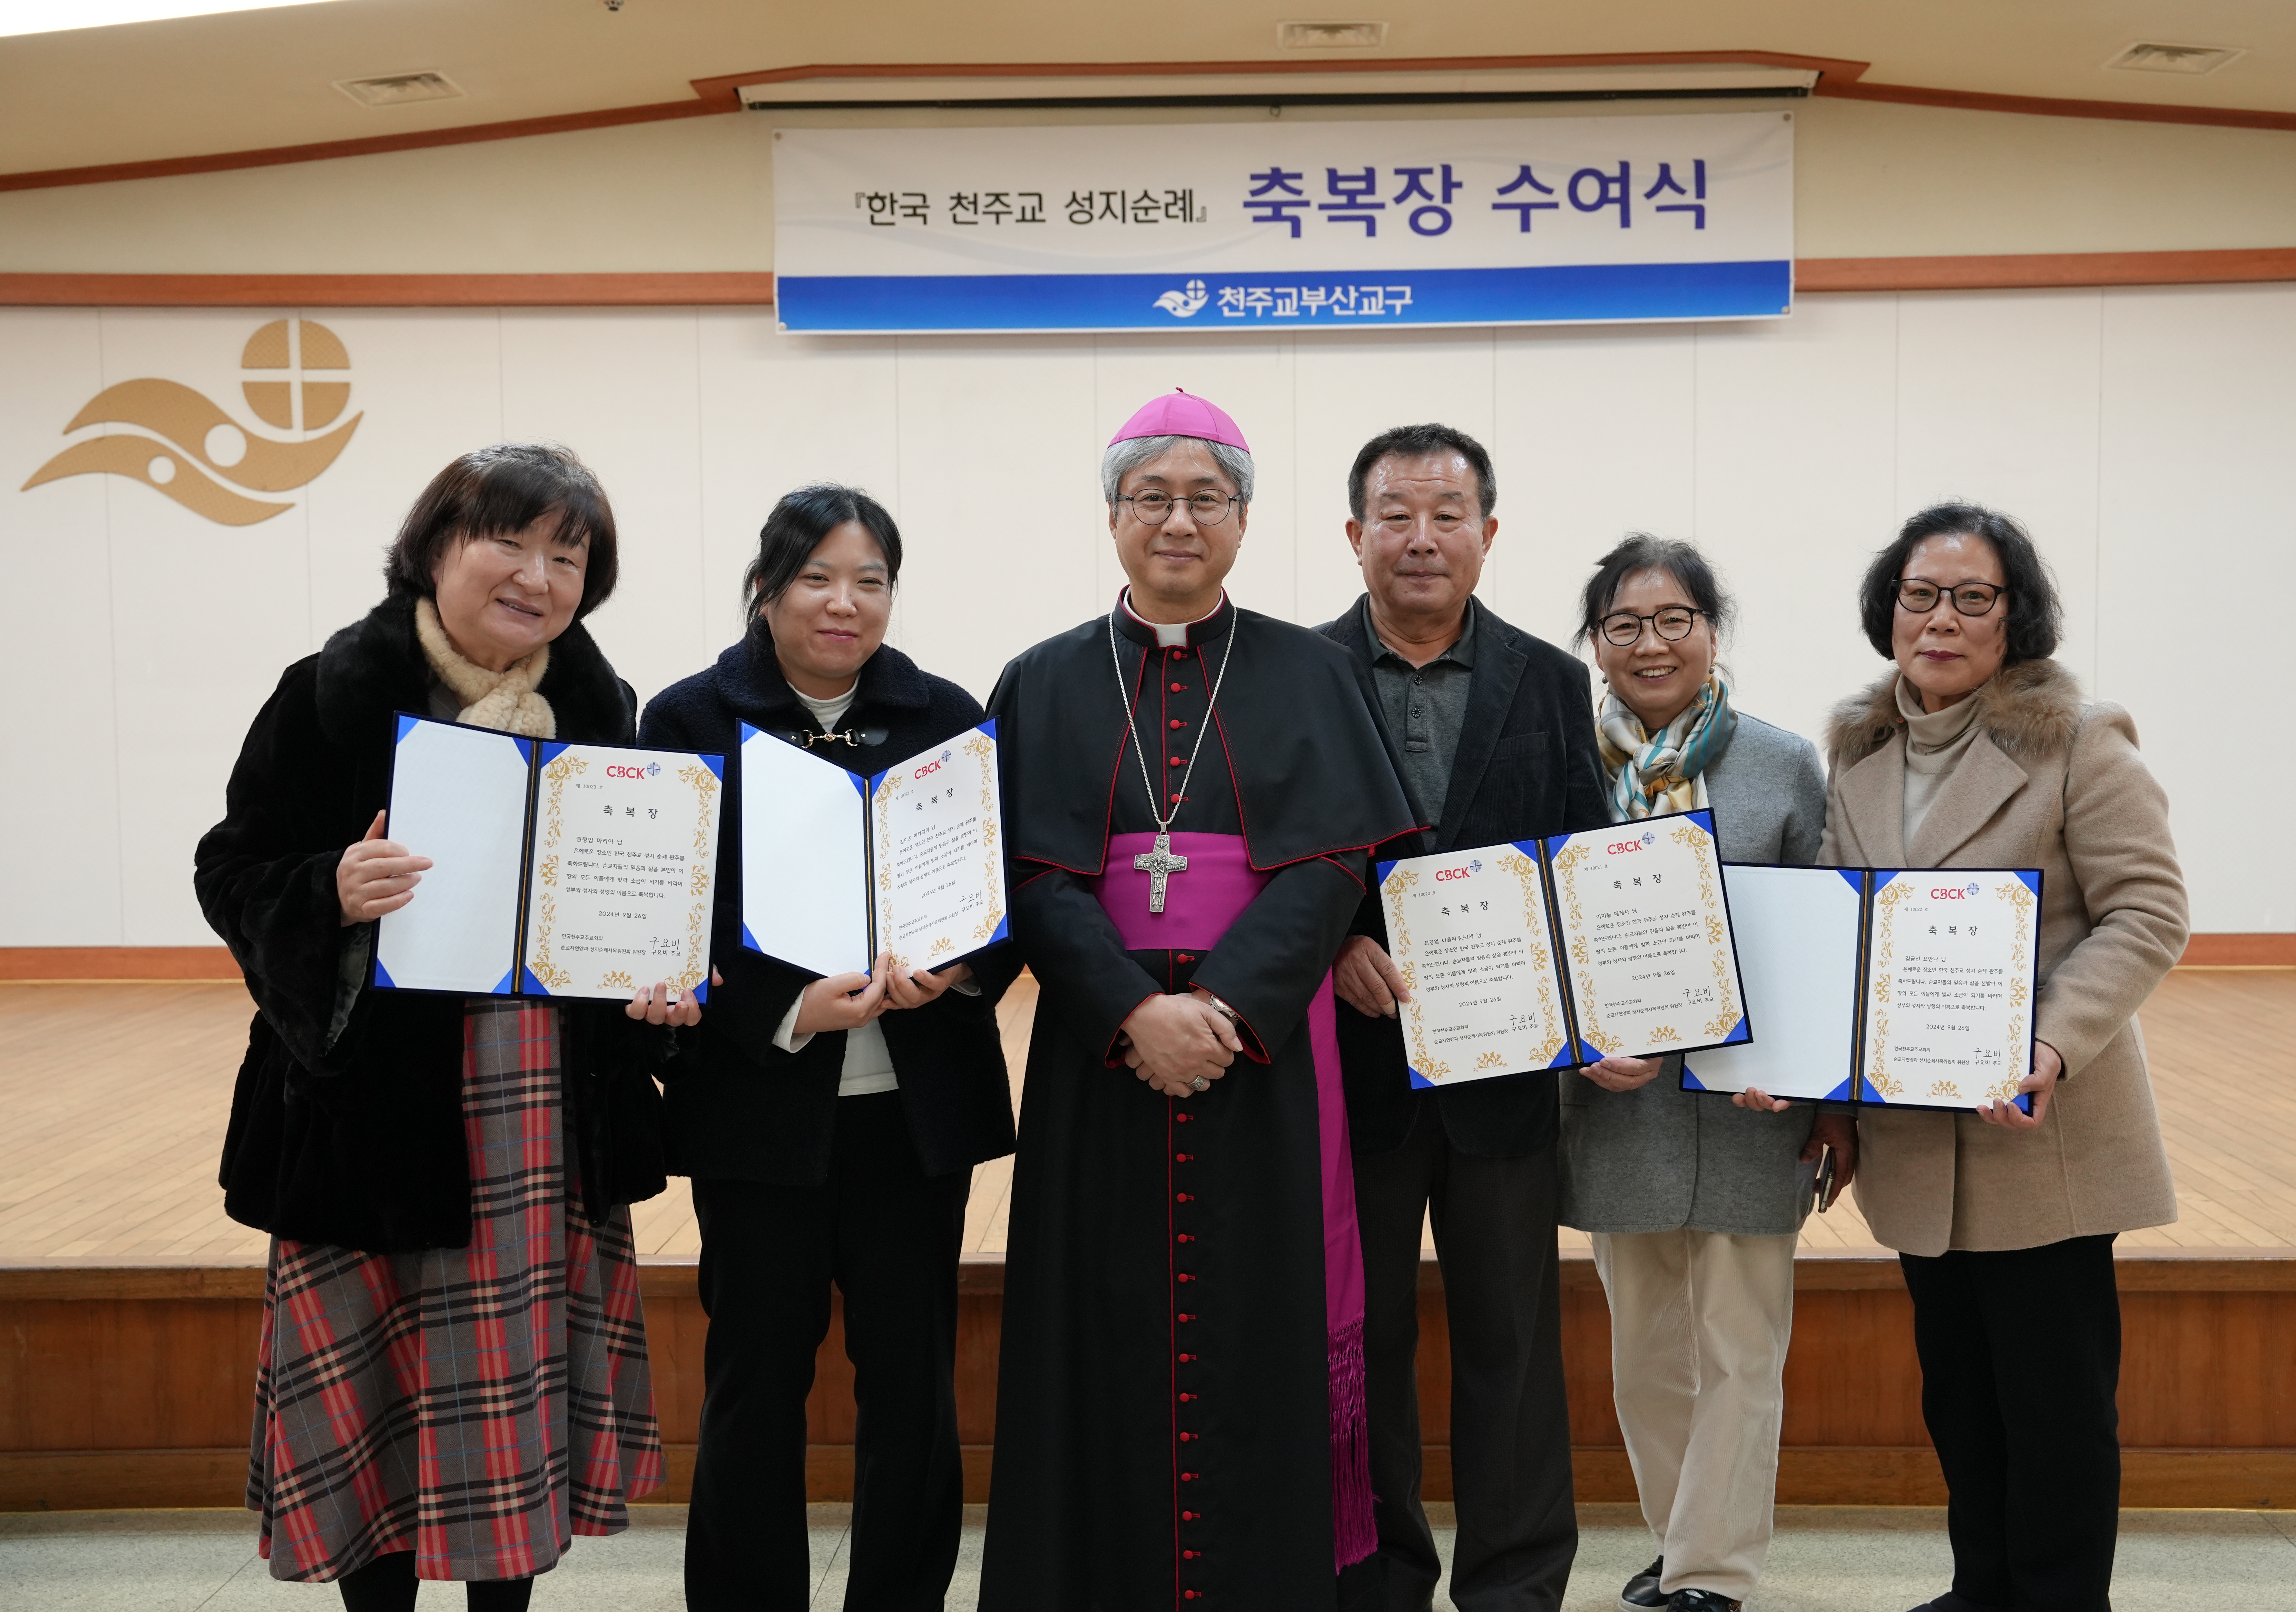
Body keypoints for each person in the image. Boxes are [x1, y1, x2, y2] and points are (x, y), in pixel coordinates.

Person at [194, 444, 695, 1609]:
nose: (536, 576)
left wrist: (655, 996)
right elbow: (234, 867)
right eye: (507, 543)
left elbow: (628, 899)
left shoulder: (599, 706)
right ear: (435, 550)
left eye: (566, 556)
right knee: (373, 1393)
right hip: (372, 1108)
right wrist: (327, 886)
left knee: (507, 1393)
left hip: (537, 1103)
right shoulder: (330, 692)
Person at [978, 390, 1419, 1611]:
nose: (1179, 520)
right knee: (1097, 1318)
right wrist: (1132, 1013)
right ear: (1112, 514)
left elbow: (1334, 862)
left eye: (1206, 498)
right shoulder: (1045, 676)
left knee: (1262, 1324)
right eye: (1152, 497)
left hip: (1262, 1051)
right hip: (1100, 1050)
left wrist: (1221, 1010)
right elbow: (1029, 872)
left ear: (1243, 518)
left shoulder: (1312, 671)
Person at [638, 484, 1018, 1612]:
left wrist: (961, 968)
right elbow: (674, 911)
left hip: (915, 1110)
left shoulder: (945, 715)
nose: (845, 604)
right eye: (817, 578)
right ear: (766, 589)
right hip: (761, 1109)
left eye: (871, 581)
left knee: (913, 1384)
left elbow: (998, 896)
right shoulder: (690, 718)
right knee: (758, 1377)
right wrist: (794, 1006)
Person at [1824, 502, 2186, 1612]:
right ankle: (1981, 1586)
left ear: (2015, 619)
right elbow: (1847, 936)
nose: (1940, 619)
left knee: (2059, 1403)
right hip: (1917, 1137)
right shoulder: (1861, 753)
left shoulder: (2081, 737)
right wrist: (1824, 1091)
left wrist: (2050, 1042)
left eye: (1972, 598)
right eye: (1918, 595)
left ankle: (2063, 1597)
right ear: (1889, 610)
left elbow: (2149, 912)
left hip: (2044, 1132)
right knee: (1962, 1396)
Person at [1317, 424, 1642, 1612]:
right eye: (1394, 515)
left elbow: (1584, 857)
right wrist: (1334, 940)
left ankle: (1514, 1585)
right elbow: (1273, 861)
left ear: (1488, 535)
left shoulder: (1551, 682)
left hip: (1508, 1073)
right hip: (1352, 1072)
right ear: (1354, 536)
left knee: (1513, 1345)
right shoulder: (1298, 673)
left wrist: (1607, 1010)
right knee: (1367, 1344)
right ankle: (1379, 1573)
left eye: (1446, 514)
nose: (1421, 538)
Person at [1551, 535, 1854, 1612]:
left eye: (1674, 619)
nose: (1651, 643)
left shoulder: (1781, 764)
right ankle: (1682, 1539)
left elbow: (1818, 935)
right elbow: (1538, 935)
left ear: (1711, 631)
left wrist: (1812, 1082)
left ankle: (1712, 1573)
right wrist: (1581, 1046)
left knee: (1740, 1345)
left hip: (1748, 1108)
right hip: (1613, 1103)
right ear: (1596, 644)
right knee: (1645, 1357)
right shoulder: (1559, 760)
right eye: (1624, 624)